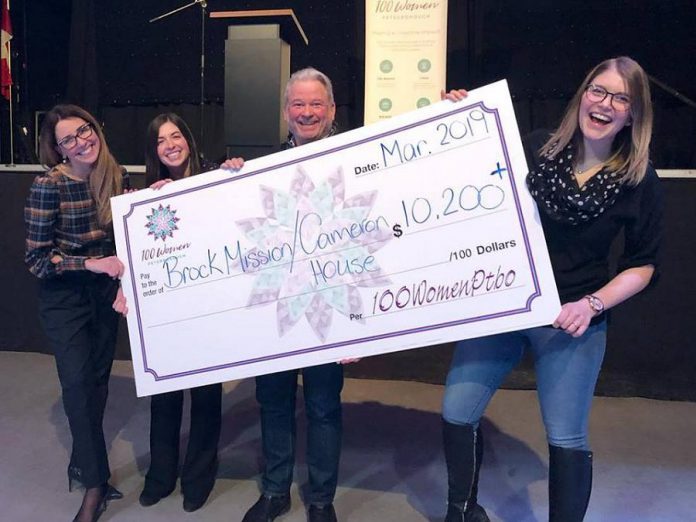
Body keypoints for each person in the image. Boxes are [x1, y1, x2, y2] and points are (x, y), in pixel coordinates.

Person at [440, 56, 663, 522]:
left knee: (566, 437)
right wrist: (454, 121)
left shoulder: (638, 181)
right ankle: (461, 512)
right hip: (507, 307)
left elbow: (643, 264)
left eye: (621, 98)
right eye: (598, 91)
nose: (605, 104)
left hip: (573, 321)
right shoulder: (538, 148)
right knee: (457, 412)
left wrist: (592, 303)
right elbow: (473, 177)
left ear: (633, 114)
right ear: (583, 95)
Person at [238, 67, 344, 522]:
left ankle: (320, 500)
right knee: (275, 402)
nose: (306, 112)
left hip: (329, 306)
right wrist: (225, 181)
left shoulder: (354, 159)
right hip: (276, 305)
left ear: (332, 110)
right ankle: (275, 490)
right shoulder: (259, 171)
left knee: (323, 406)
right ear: (285, 112)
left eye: (315, 104)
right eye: (297, 104)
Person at [25, 104, 127, 522]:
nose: (82, 141)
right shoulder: (47, 186)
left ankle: (88, 465)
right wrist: (88, 263)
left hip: (104, 295)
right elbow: (35, 260)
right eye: (69, 139)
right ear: (58, 149)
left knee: (97, 383)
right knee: (77, 385)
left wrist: (122, 280)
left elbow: (128, 241)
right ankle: (95, 484)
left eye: (85, 130)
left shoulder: (115, 177)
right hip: (64, 297)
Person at [134, 113, 223, 512]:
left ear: (188, 138)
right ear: (153, 150)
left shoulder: (218, 180)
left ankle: (199, 475)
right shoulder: (147, 196)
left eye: (176, 136)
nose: (170, 144)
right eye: (160, 140)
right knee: (164, 398)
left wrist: (234, 174)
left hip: (207, 311)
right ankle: (161, 474)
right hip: (166, 314)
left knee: (206, 397)